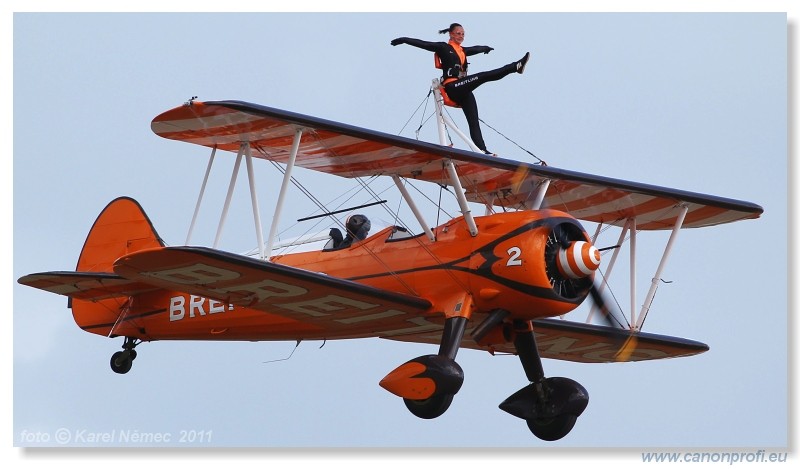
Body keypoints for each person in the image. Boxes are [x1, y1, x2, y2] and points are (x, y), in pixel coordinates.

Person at [391, 23, 530, 155]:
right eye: (458, 33)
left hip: (463, 89)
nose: (461, 36)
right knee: (482, 76)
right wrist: (404, 40)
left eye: (463, 34)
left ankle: (482, 151)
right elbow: (424, 44)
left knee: (474, 121)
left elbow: (475, 49)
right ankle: (514, 67)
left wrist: (484, 48)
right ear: (451, 34)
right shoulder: (443, 47)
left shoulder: (463, 50)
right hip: (452, 87)